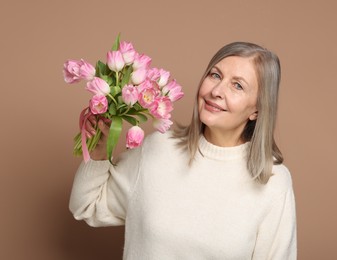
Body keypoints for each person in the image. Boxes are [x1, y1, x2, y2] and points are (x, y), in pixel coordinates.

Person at [69, 42, 297, 259]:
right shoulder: (159, 149)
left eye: (237, 85)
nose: (216, 90)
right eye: (215, 75)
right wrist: (98, 148)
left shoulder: (274, 182)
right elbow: (88, 205)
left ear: (257, 109)